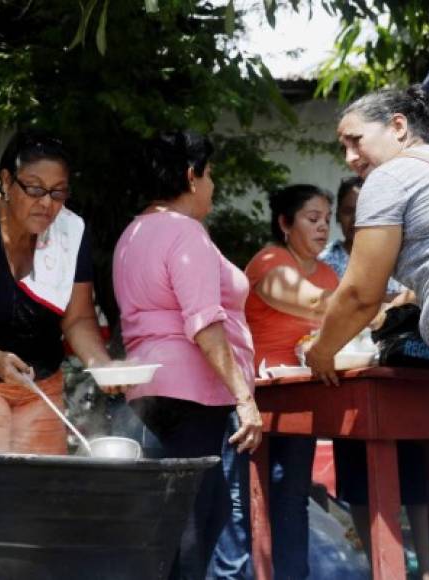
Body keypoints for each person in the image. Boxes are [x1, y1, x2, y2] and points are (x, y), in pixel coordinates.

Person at [113, 131, 262, 580]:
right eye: (209, 174)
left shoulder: (132, 232)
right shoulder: (185, 232)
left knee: (170, 525)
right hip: (192, 395)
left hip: (148, 391)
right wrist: (244, 397)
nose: (212, 185)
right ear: (190, 176)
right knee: (192, 528)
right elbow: (204, 324)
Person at [307, 85, 429, 580]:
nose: (351, 156)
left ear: (399, 127)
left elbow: (361, 293)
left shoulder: (391, 176)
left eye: (356, 140)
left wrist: (322, 351)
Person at [0, 130, 114, 454]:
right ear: (6, 181)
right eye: (34, 188)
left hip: (40, 381)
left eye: (58, 193)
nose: (46, 203)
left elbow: (78, 318)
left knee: (40, 491)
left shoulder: (70, 232)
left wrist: (101, 364)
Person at [244, 184, 338, 579]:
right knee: (251, 501)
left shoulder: (329, 273)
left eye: (327, 221)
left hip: (302, 398)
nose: (323, 229)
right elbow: (319, 304)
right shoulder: (270, 261)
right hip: (257, 399)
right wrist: (377, 304)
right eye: (312, 219)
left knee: (293, 498)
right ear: (285, 222)